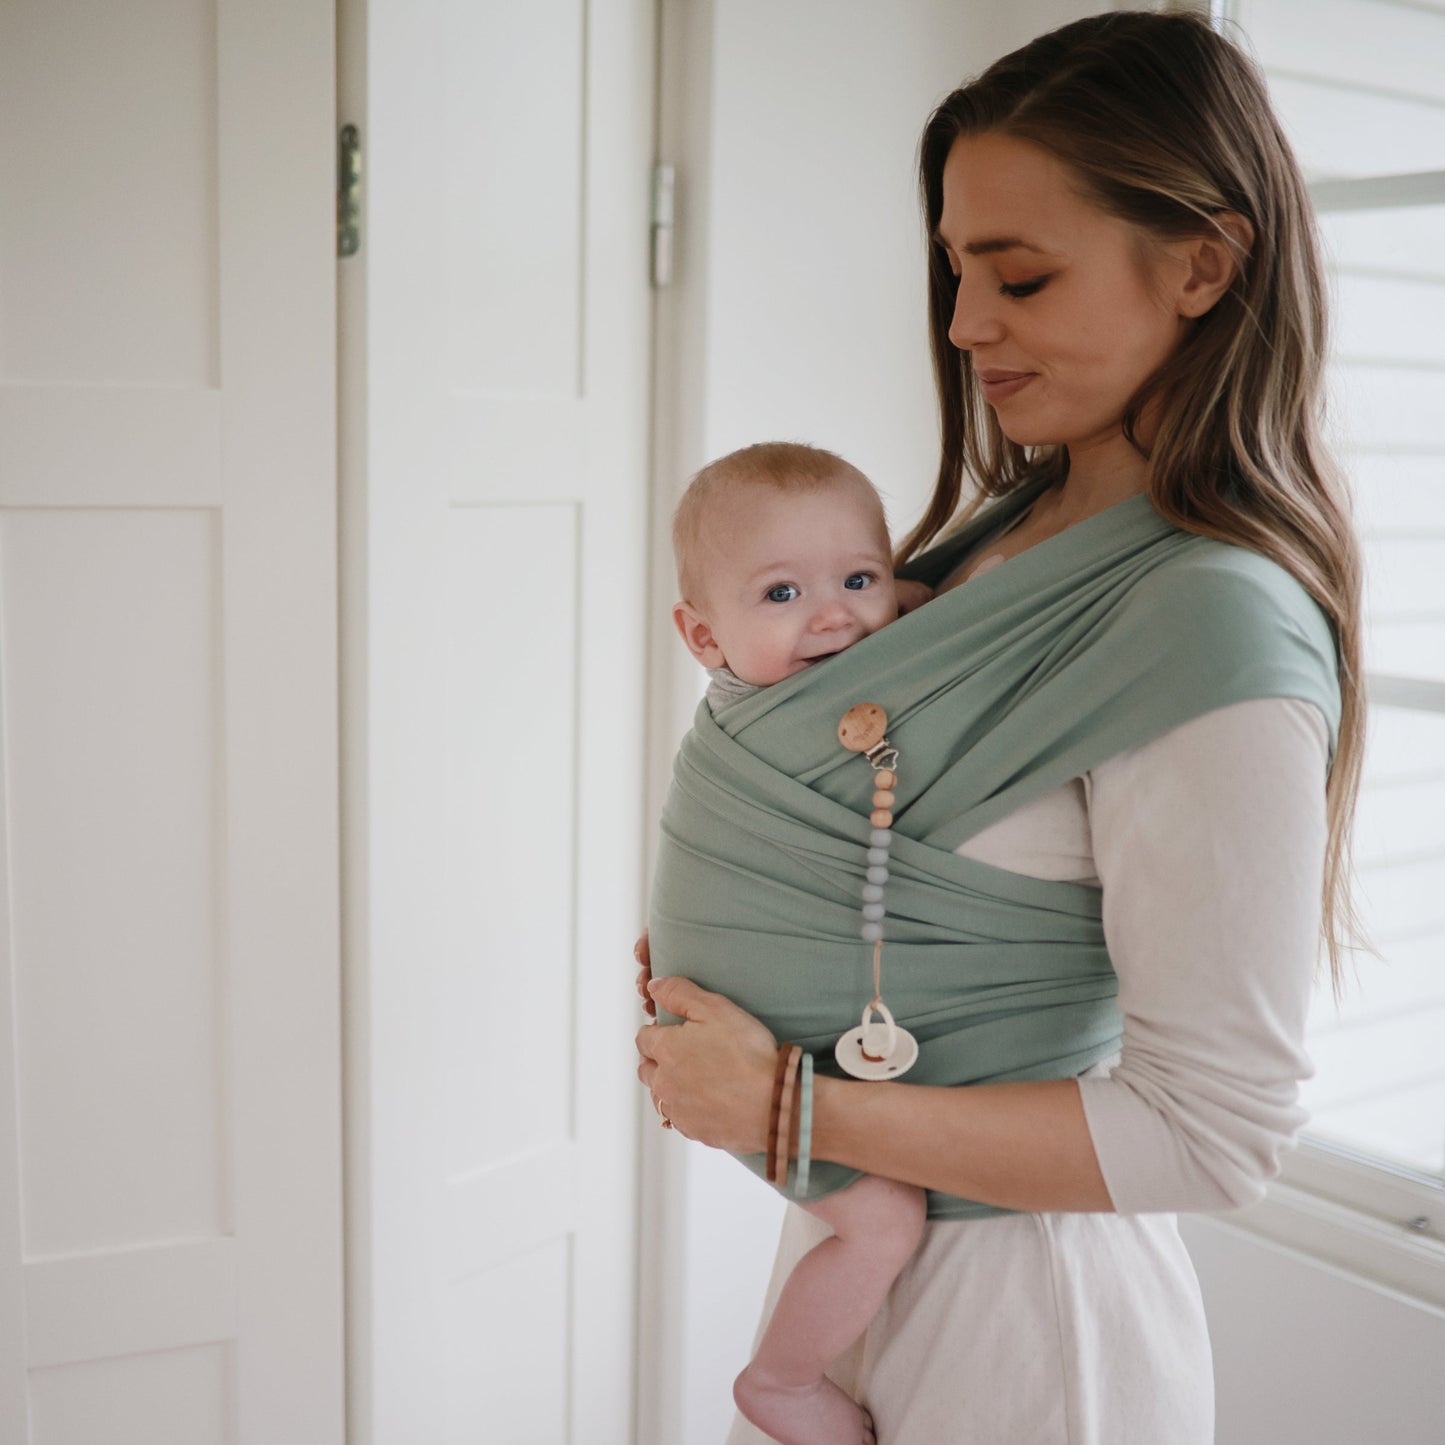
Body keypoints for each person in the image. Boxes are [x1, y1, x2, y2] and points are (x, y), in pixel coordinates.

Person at [635, 10, 1364, 1445]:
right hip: (858, 1254)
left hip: (1033, 1323)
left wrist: (786, 1103)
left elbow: (1213, 1132)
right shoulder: (995, 538)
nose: (965, 322)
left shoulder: (1201, 616)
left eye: (1018, 275)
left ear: (1201, 264)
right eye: (955, 270)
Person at [664, 440, 928, 1445]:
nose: (833, 616)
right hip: (733, 1046)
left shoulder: (792, 676)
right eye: (781, 593)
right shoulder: (784, 721)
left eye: (858, 579)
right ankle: (779, 1379)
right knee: (885, 1217)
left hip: (737, 1020)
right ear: (703, 636)